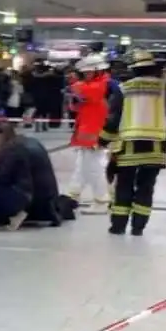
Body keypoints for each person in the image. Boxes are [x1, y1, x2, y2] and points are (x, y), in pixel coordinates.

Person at [98, 49, 166, 236]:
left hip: (128, 146)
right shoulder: (164, 88)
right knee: (146, 186)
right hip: (156, 145)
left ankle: (118, 226)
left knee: (124, 184)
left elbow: (114, 118)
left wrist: (103, 139)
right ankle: (138, 227)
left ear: (133, 69)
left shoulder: (124, 88)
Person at [66, 53, 111, 214]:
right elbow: (78, 106)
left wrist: (74, 83)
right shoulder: (92, 83)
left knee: (93, 168)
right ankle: (73, 195)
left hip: (94, 131)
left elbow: (92, 93)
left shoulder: (103, 83)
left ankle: (102, 201)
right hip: (86, 129)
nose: (86, 75)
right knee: (82, 165)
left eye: (88, 72)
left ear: (98, 70)